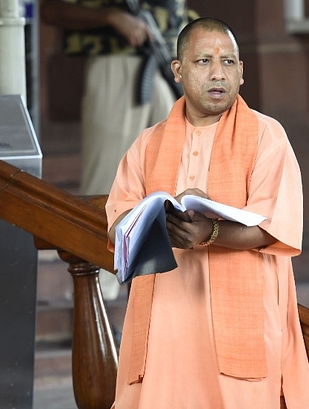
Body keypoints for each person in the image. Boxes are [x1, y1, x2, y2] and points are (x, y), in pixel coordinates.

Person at [105, 17, 309, 409]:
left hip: (242, 320)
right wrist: (153, 222)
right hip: (164, 323)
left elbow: (275, 226)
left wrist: (210, 233)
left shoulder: (267, 136)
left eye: (229, 62)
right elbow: (119, 220)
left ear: (242, 73)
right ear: (179, 71)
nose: (218, 73)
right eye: (203, 61)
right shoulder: (147, 144)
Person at [40, 0, 197, 300]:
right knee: (107, 185)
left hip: (165, 67)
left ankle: (157, 289)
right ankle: (93, 295)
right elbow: (53, 10)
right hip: (116, 64)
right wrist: (112, 17)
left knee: (171, 185)